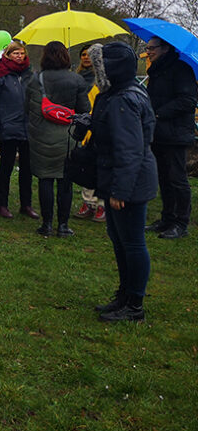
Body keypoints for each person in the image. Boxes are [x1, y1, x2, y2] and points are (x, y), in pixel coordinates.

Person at [88, 41, 157, 322]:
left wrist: (120, 190)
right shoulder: (120, 94)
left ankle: (134, 304)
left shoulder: (124, 99)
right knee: (120, 240)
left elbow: (129, 149)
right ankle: (125, 294)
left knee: (132, 242)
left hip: (129, 181)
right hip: (120, 176)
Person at [25, 41, 91, 237]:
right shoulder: (77, 80)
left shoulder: (35, 80)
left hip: (41, 136)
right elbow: (84, 110)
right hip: (68, 136)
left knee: (45, 179)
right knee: (65, 181)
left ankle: (46, 224)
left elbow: (27, 108)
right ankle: (63, 225)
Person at [143, 35, 197, 240]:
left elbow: (188, 101)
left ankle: (181, 223)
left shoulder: (181, 70)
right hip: (159, 133)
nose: (148, 51)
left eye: (152, 48)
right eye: (147, 47)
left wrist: (158, 113)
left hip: (176, 134)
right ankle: (167, 218)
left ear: (165, 48)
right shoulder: (156, 70)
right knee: (163, 177)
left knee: (177, 178)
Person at [0, 40, 39, 219]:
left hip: (27, 127)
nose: (19, 56)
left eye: (22, 53)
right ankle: (2, 204)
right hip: (7, 126)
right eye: (16, 53)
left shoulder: (29, 74)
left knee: (26, 168)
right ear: (8, 55)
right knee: (6, 167)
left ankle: (26, 204)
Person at [73, 47, 104, 222]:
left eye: (89, 55)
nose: (86, 58)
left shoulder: (102, 79)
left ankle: (102, 204)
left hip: (98, 125)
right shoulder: (77, 77)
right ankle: (88, 202)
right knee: (85, 165)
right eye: (83, 55)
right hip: (82, 125)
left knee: (100, 166)